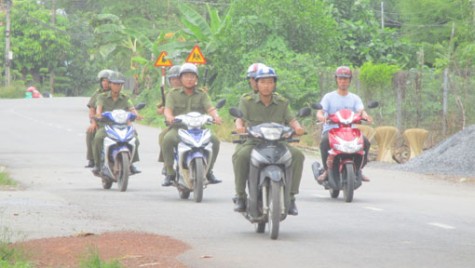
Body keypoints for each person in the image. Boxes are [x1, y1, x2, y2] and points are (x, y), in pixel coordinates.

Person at [232, 66, 305, 216]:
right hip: (254, 142)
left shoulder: (282, 102)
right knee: (240, 156)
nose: (266, 86)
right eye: (263, 82)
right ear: (256, 84)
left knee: (298, 155)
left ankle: (291, 197)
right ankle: (240, 196)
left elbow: (292, 119)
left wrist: (298, 128)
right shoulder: (247, 101)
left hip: (279, 143)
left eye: (270, 82)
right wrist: (239, 127)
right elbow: (240, 119)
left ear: (274, 84)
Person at [161, 63, 222, 186]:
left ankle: (209, 171)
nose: (189, 79)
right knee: (167, 139)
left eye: (192, 76)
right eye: (186, 76)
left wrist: (216, 116)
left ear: (196, 79)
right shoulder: (173, 94)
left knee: (215, 140)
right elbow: (168, 110)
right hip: (179, 128)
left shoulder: (202, 94)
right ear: (181, 78)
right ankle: (169, 172)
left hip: (199, 128)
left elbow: (210, 108)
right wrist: (169, 117)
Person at [316, 66, 372, 183]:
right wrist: (322, 117)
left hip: (349, 131)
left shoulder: (355, 98)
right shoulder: (328, 97)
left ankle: (359, 169)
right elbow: (320, 111)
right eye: (340, 78)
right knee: (324, 142)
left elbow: (361, 110)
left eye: (346, 79)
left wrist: (365, 116)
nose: (343, 81)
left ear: (350, 80)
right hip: (332, 130)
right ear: (336, 79)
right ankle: (327, 170)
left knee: (365, 142)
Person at [91, 71, 142, 175]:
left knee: (135, 139)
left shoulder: (125, 97)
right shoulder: (102, 96)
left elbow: (131, 108)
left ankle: (130, 163)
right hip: (106, 126)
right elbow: (98, 110)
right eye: (114, 84)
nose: (117, 86)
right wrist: (98, 116)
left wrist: (136, 115)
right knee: (98, 138)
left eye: (119, 84)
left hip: (123, 126)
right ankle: (98, 164)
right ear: (110, 84)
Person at [85, 69, 112, 168]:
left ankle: (130, 163)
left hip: (115, 122)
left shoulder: (116, 92)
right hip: (100, 122)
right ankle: (92, 159)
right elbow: (92, 109)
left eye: (108, 81)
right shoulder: (97, 94)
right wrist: (93, 122)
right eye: (103, 81)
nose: (105, 83)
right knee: (90, 132)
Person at [157, 65, 181, 172]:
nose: (175, 81)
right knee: (163, 136)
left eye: (178, 78)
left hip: (191, 124)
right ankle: (167, 164)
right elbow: (159, 108)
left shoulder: (194, 92)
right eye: (173, 79)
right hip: (174, 125)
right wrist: (161, 110)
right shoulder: (167, 94)